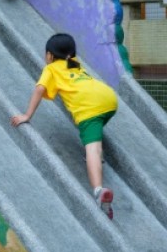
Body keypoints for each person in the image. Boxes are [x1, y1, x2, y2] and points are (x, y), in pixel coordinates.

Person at [11, 34, 119, 219]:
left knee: (92, 149)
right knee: (96, 129)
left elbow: (40, 88)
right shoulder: (74, 63)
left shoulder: (51, 68)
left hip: (89, 107)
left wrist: (27, 115)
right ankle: (98, 155)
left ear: (50, 55)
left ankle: (98, 191)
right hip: (109, 99)